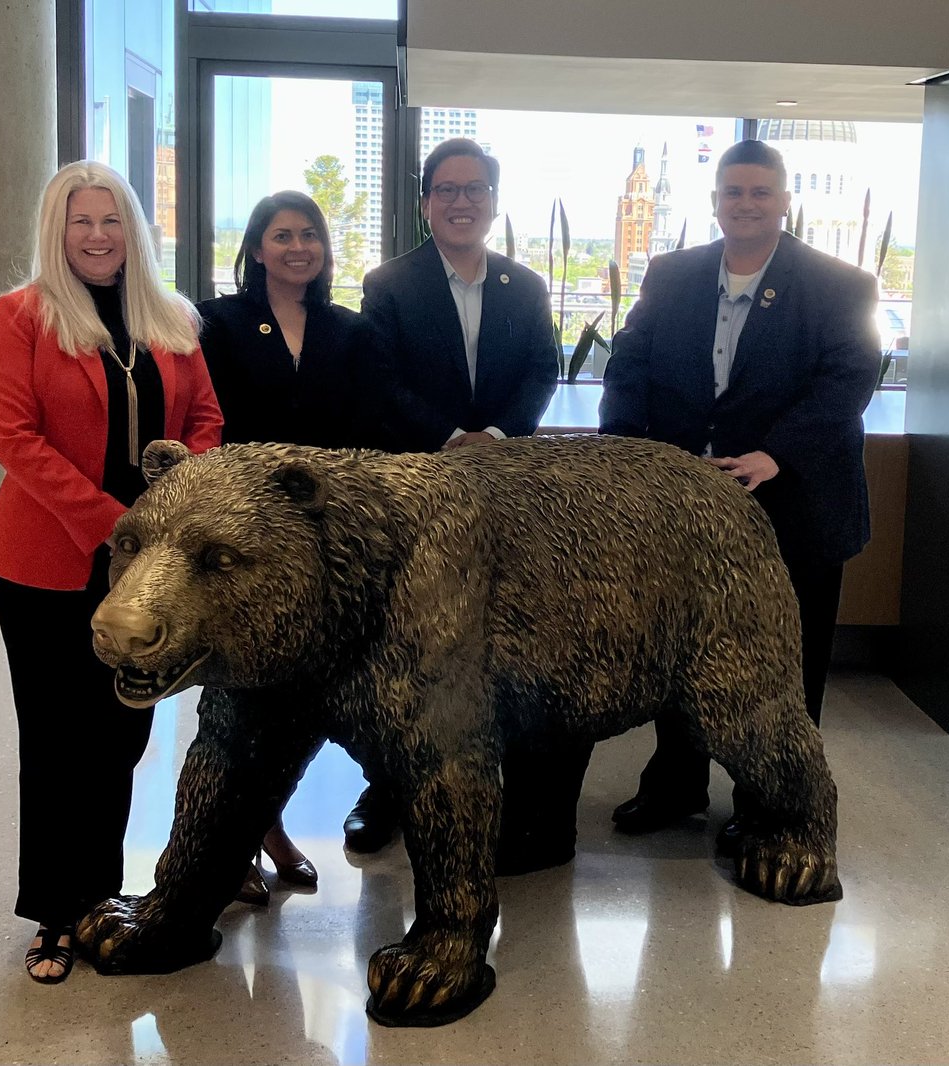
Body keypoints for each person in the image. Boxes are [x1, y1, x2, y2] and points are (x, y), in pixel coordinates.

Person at [0, 160, 223, 983]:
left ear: (133, 232)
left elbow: (205, 420)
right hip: (51, 561)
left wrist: (171, 507)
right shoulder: (19, 317)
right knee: (56, 739)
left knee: (122, 734)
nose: (97, 236)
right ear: (58, 230)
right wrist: (114, 524)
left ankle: (98, 898)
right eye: (81, 222)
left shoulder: (172, 317)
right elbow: (14, 438)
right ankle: (52, 913)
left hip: (151, 571)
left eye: (111, 221)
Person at [599, 138, 881, 843]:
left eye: (761, 193)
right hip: (685, 509)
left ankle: (777, 799)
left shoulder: (840, 285)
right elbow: (628, 366)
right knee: (679, 647)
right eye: (734, 193)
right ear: (715, 200)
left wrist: (773, 455)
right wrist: (628, 454)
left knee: (789, 658)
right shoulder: (672, 275)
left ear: (785, 200)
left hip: (796, 504)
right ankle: (675, 785)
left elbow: (847, 383)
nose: (746, 205)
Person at [353, 137, 574, 873]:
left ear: (492, 200)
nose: (461, 202)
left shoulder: (526, 285)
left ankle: (486, 784)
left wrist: (498, 437)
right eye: (446, 189)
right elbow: (379, 381)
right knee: (407, 642)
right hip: (418, 483)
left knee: (489, 638)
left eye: (475, 189)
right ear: (425, 202)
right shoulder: (388, 284)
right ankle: (385, 790)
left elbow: (544, 369)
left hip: (503, 487)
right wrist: (451, 438)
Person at [196, 190, 388, 904]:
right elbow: (210, 426)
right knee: (240, 689)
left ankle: (268, 827)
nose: (297, 246)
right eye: (282, 235)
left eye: (309, 234)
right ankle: (235, 840)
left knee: (302, 690)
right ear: (255, 248)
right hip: (246, 539)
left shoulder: (351, 330)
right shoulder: (217, 323)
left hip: (327, 540)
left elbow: (371, 431)